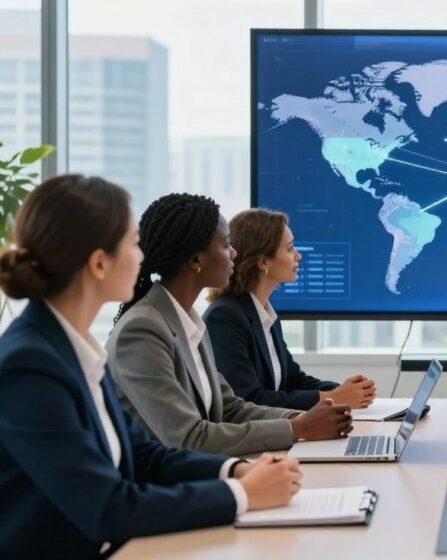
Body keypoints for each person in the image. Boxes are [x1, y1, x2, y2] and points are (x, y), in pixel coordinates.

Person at [0, 176, 301, 558]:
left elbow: (144, 456)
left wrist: (235, 471)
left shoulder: (73, 349)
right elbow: (107, 507)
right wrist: (242, 494)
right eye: (131, 243)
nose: (142, 256)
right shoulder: (30, 366)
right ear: (98, 263)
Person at [107, 193, 353, 456]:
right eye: (226, 245)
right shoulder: (143, 330)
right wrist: (298, 428)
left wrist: (307, 418)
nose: (235, 253)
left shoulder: (189, 323)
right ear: (195, 260)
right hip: (165, 487)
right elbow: (189, 437)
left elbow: (231, 409)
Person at [205, 208, 376, 410]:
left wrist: (347, 391)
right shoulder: (225, 317)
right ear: (263, 261)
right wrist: (334, 397)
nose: (298, 256)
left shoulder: (264, 313)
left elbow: (293, 380)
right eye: (289, 248)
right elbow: (248, 399)